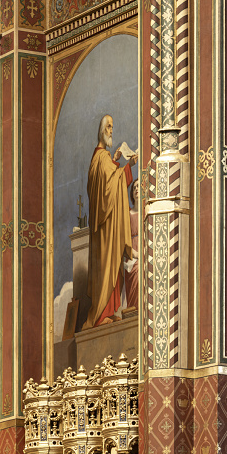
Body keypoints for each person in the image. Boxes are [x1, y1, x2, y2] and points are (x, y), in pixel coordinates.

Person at [84, 115, 137, 329]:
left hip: (106, 227)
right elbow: (109, 189)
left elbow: (104, 185)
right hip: (107, 228)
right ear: (100, 130)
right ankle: (101, 315)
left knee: (112, 268)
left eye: (112, 127)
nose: (111, 131)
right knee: (108, 266)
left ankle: (109, 311)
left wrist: (116, 161)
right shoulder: (102, 157)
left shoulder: (99, 159)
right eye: (108, 127)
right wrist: (127, 166)